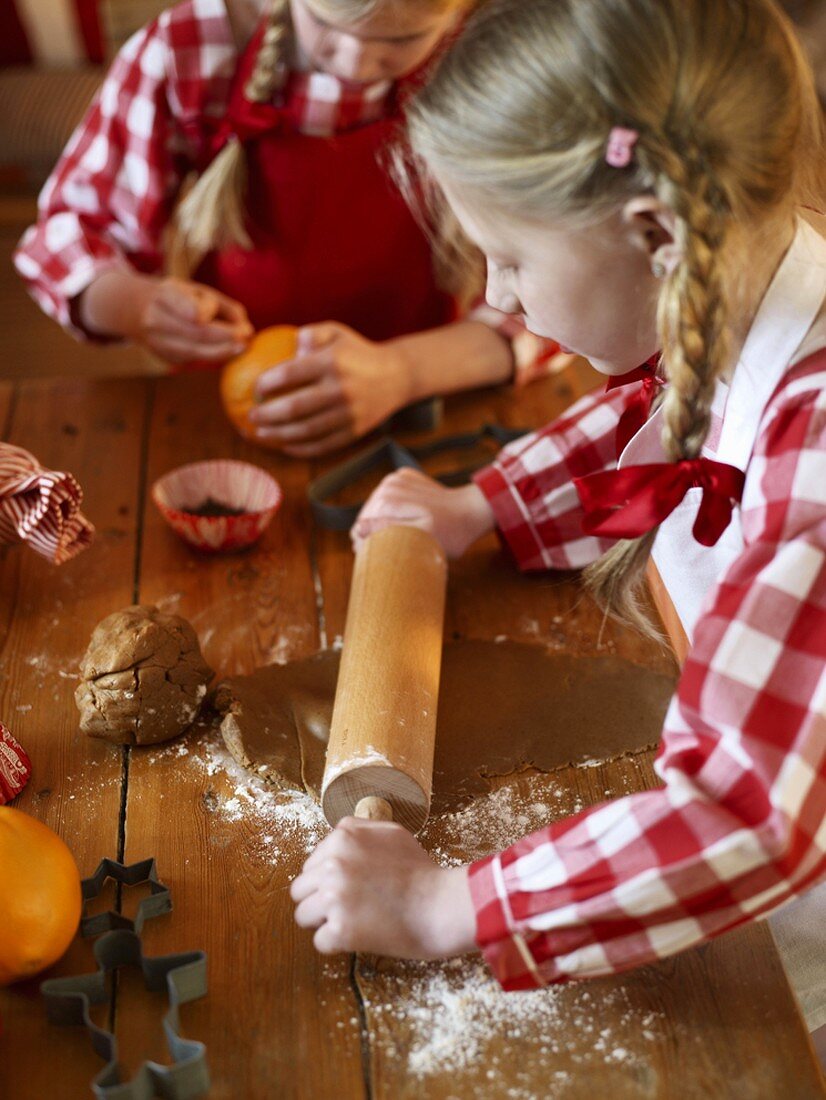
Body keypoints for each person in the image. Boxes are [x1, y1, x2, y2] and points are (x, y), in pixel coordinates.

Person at [289, 0, 826, 1056]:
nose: (499, 294)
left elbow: (747, 818)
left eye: (513, 261)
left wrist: (451, 904)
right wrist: (477, 505)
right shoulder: (750, 280)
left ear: (656, 234)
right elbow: (655, 409)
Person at [13, 0, 559, 458]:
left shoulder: (496, 50)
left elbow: (568, 295)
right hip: (230, 410)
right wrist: (135, 305)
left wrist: (402, 373)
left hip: (435, 406)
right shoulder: (189, 47)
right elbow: (66, 233)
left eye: (403, 38)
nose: (356, 59)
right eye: (324, 23)